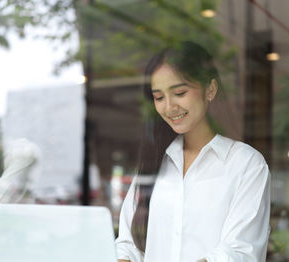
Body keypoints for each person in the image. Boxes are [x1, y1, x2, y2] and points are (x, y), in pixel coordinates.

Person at [115, 41, 271, 262]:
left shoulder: (246, 164)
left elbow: (239, 252)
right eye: (159, 97)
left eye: (179, 92)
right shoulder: (153, 164)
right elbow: (128, 245)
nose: (169, 107)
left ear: (210, 89)